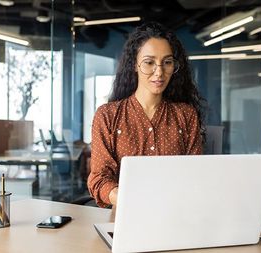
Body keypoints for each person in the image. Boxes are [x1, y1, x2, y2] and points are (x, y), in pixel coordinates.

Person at [87, 22, 205, 208]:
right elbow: (99, 179)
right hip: (126, 217)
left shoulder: (186, 115)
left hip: (176, 215)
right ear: (134, 64)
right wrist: (127, 199)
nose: (159, 72)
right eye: (149, 62)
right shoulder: (107, 115)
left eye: (167, 62)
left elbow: (196, 175)